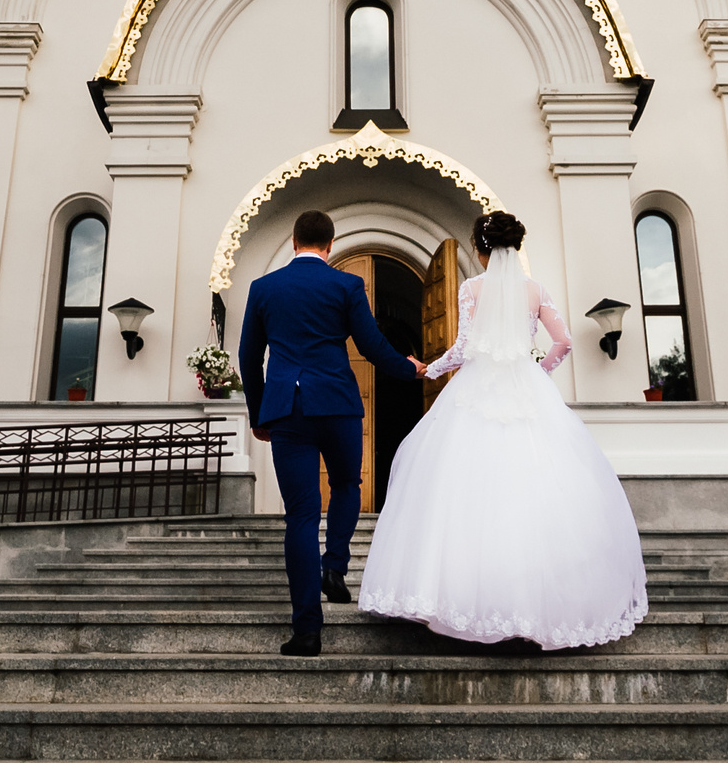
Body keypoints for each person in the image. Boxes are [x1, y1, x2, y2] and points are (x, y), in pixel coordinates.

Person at [358, 209, 648, 649]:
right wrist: (539, 372)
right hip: (526, 389)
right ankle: (535, 604)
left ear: (480, 249)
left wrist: (427, 371)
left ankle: (458, 599)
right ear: (517, 246)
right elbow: (564, 342)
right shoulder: (535, 291)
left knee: (463, 489)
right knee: (537, 488)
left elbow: (461, 348)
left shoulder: (473, 289)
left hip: (477, 391)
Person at [239, 208, 425, 656]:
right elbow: (370, 344)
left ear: (293, 239)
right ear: (330, 245)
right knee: (346, 485)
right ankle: (335, 567)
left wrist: (260, 415)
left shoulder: (264, 288)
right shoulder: (346, 284)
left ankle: (307, 630)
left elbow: (248, 356)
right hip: (338, 404)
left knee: (300, 516)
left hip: (286, 410)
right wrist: (409, 369)